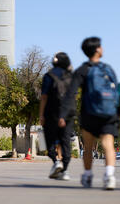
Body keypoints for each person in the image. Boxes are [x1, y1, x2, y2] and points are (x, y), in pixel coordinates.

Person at [59, 37, 120, 190]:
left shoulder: (82, 70)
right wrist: (117, 114)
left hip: (89, 112)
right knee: (108, 144)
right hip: (108, 112)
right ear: (98, 49)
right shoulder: (108, 69)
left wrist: (63, 114)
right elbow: (117, 92)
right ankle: (109, 176)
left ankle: (87, 175)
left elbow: (70, 93)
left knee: (88, 146)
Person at [39, 52, 74, 181]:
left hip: (52, 113)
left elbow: (44, 97)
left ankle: (55, 161)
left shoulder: (48, 76)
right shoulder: (71, 76)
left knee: (50, 141)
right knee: (65, 142)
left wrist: (41, 114)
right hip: (68, 114)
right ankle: (65, 170)